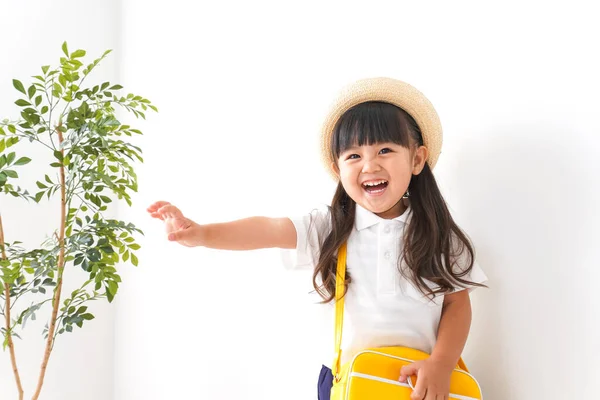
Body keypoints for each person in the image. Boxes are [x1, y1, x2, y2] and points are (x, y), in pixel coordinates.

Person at [147, 77, 488, 400]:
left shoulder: (438, 234)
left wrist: (442, 362)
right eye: (353, 156)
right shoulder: (328, 227)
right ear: (338, 169)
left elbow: (457, 303)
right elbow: (267, 229)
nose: (369, 165)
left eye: (384, 150)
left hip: (419, 379)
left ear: (416, 159)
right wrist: (203, 233)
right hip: (345, 378)